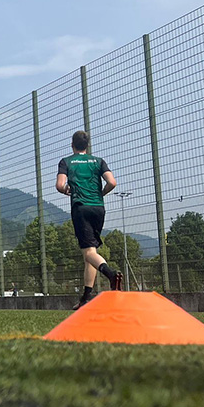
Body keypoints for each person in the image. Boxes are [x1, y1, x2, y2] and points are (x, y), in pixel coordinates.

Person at [56, 130, 121, 309]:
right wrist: (101, 194)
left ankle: (111, 274)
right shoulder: (98, 161)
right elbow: (112, 182)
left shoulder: (66, 162)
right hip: (98, 208)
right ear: (87, 145)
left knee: (89, 253)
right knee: (90, 252)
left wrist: (66, 190)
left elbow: (60, 185)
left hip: (81, 207)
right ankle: (85, 297)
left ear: (72, 144)